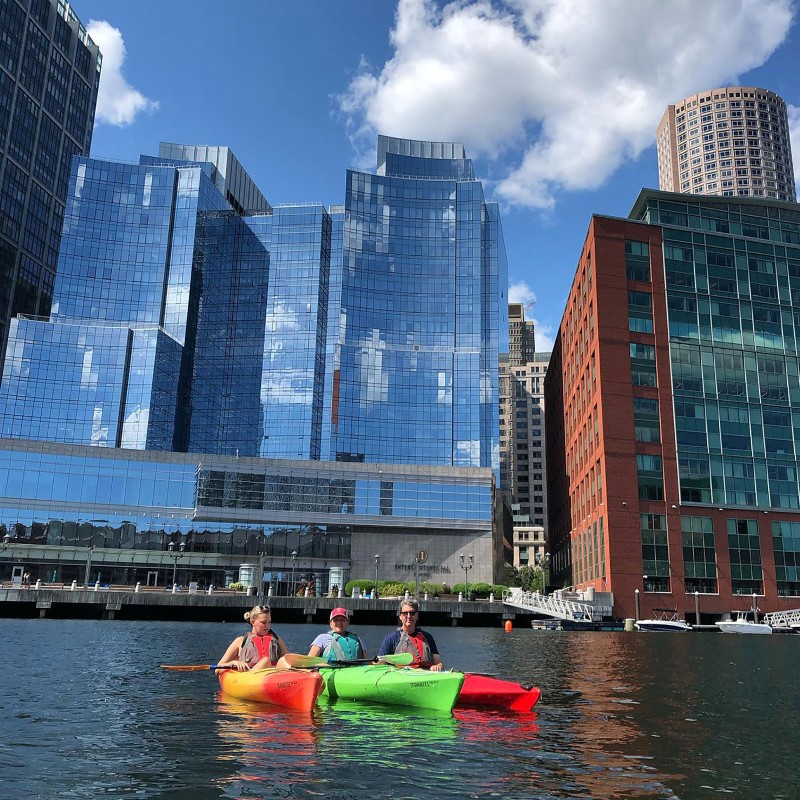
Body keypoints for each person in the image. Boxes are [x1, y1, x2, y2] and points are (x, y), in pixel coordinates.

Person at [217, 604, 289, 671]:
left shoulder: (277, 640)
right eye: (263, 622)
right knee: (265, 661)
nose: (267, 626)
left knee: (285, 660)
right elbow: (218, 669)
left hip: (272, 678)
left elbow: (289, 663)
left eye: (269, 622)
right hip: (250, 678)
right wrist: (232, 663)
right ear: (253, 622)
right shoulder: (240, 641)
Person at [377, 599, 443, 671]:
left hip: (425, 676)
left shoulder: (427, 637)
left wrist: (437, 667)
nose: (409, 616)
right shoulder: (391, 639)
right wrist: (376, 662)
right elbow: (380, 663)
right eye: (405, 613)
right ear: (400, 616)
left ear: (417, 615)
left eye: (412, 613)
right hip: (402, 676)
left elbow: (438, 663)